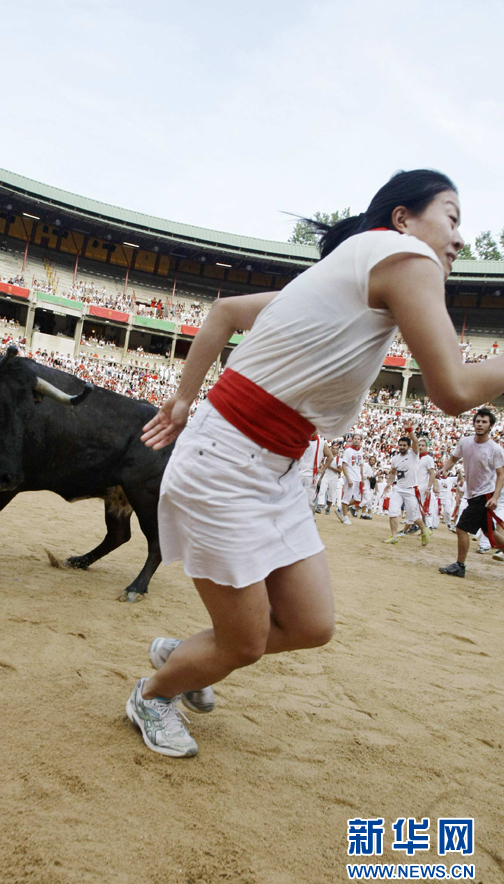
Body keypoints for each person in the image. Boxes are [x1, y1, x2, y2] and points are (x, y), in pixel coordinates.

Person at [126, 168, 504, 759]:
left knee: (309, 625)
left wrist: (183, 398)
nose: (458, 239)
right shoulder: (406, 256)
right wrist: (181, 400)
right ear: (403, 219)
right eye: (451, 218)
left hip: (272, 468)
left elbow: (223, 311)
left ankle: (188, 656)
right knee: (247, 641)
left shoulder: (341, 276)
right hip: (226, 462)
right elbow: (453, 389)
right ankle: (152, 694)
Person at [438, 408, 504, 577]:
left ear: (491, 426)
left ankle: (460, 566)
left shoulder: (495, 449)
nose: (480, 424)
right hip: (474, 494)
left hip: (485, 495)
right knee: (490, 532)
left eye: (484, 422)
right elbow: (454, 458)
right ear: (473, 423)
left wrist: (495, 496)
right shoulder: (465, 442)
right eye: (478, 421)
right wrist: (445, 469)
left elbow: (501, 474)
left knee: (461, 527)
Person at [382, 425, 431, 545]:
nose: (402, 447)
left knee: (413, 517)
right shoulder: (395, 459)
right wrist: (389, 484)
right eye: (400, 445)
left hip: (411, 489)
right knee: (393, 512)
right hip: (398, 488)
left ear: (409, 447)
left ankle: (425, 530)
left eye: (404, 445)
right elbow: (393, 473)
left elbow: (415, 440)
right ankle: (394, 536)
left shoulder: (413, 454)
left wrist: (409, 430)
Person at [298, 435, 333, 511]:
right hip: (298, 474)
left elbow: (330, 457)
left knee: (309, 501)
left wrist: (323, 469)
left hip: (311, 476)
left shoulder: (321, 443)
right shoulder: (301, 438)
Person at [337, 433, 364, 524]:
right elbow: (344, 465)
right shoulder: (348, 451)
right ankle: (344, 516)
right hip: (350, 476)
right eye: (355, 438)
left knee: (358, 498)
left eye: (358, 439)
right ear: (352, 439)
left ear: (360, 441)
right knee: (347, 497)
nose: (356, 440)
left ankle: (340, 510)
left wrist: (362, 477)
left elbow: (361, 465)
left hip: (358, 477)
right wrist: (348, 478)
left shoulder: (360, 450)